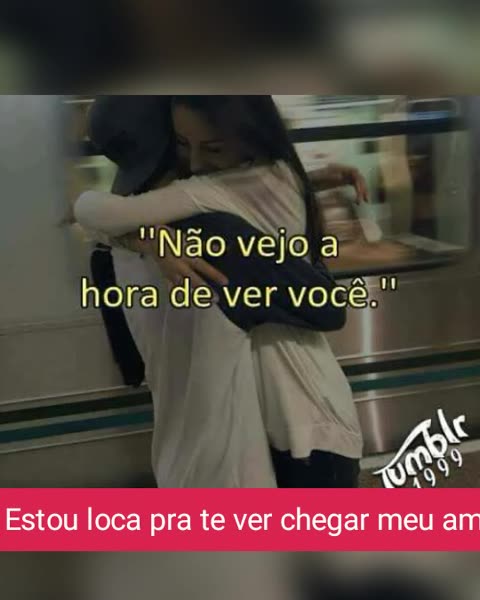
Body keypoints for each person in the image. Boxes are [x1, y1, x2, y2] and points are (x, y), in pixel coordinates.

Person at [75, 95, 366, 488]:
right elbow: (328, 307)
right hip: (292, 428)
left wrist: (142, 238)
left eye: (211, 148)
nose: (196, 164)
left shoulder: (109, 251)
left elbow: (130, 364)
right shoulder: (218, 235)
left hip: (210, 448)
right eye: (184, 144)